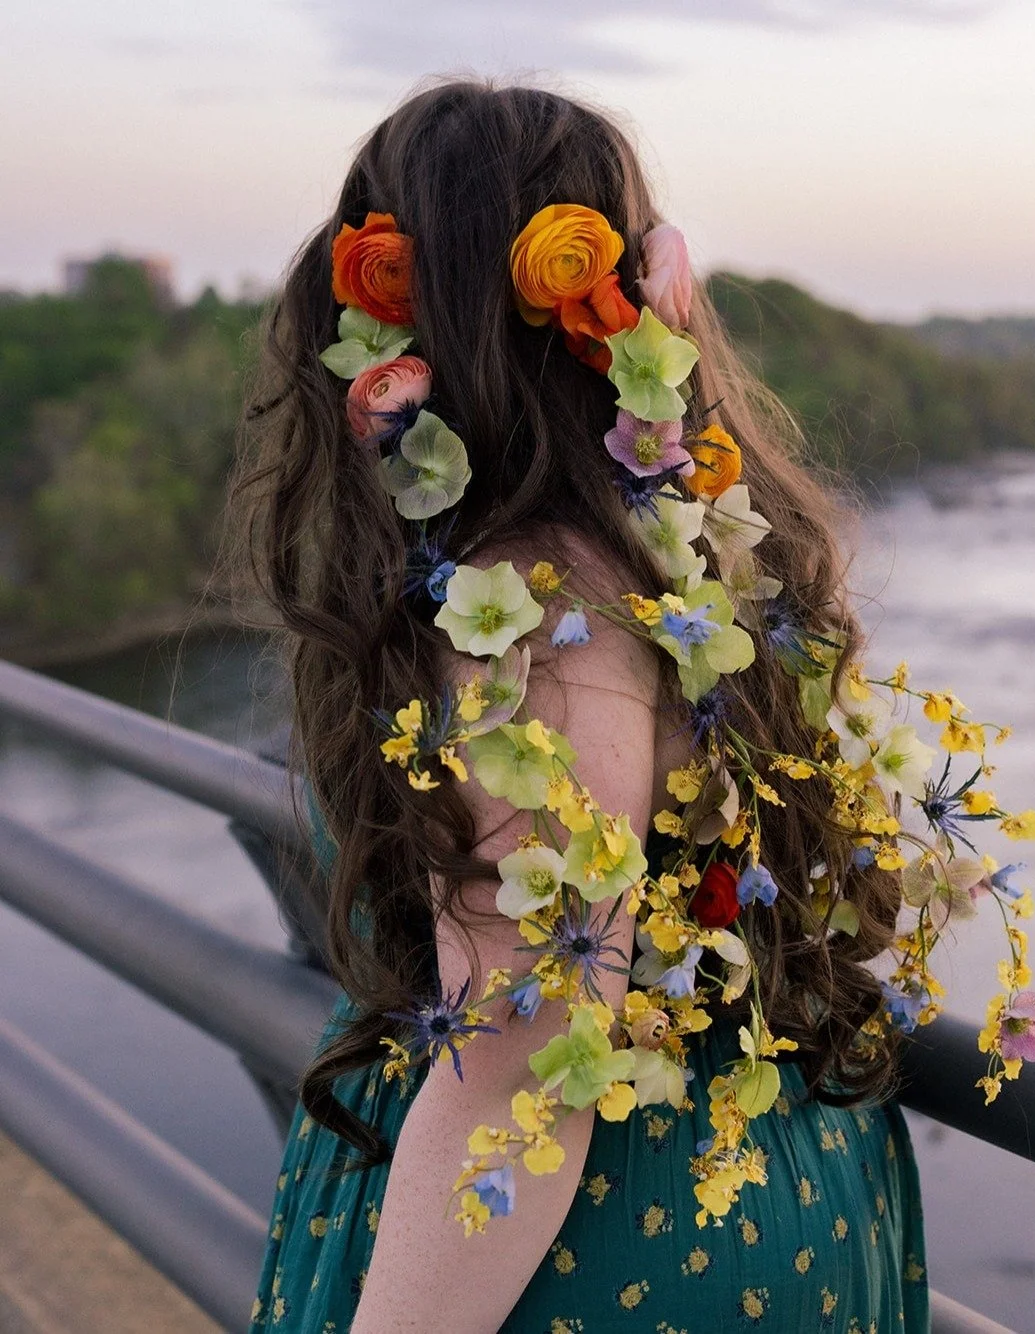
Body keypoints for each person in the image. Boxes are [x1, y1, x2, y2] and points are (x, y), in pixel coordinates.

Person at [236, 80, 930, 1332]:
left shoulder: (529, 607)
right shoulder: (688, 551)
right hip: (763, 1165)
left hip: (600, 1238)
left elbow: (522, 1055)